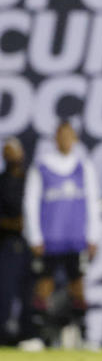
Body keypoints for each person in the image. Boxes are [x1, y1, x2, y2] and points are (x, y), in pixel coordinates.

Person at [20, 121, 101, 351]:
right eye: (62, 136)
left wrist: (93, 235)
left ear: (74, 139)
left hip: (75, 237)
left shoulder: (83, 166)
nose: (66, 140)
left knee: (78, 285)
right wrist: (34, 236)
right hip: (50, 238)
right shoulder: (42, 166)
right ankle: (39, 336)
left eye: (69, 136)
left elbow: (93, 202)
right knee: (44, 285)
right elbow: (31, 201)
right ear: (56, 139)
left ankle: (84, 335)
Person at [0, 138, 29, 344]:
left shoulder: (31, 180)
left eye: (13, 152)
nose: (10, 156)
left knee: (30, 290)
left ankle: (30, 334)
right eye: (6, 153)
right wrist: (14, 224)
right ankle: (3, 335)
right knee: (6, 291)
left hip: (32, 244)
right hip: (7, 244)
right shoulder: (1, 182)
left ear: (22, 154)